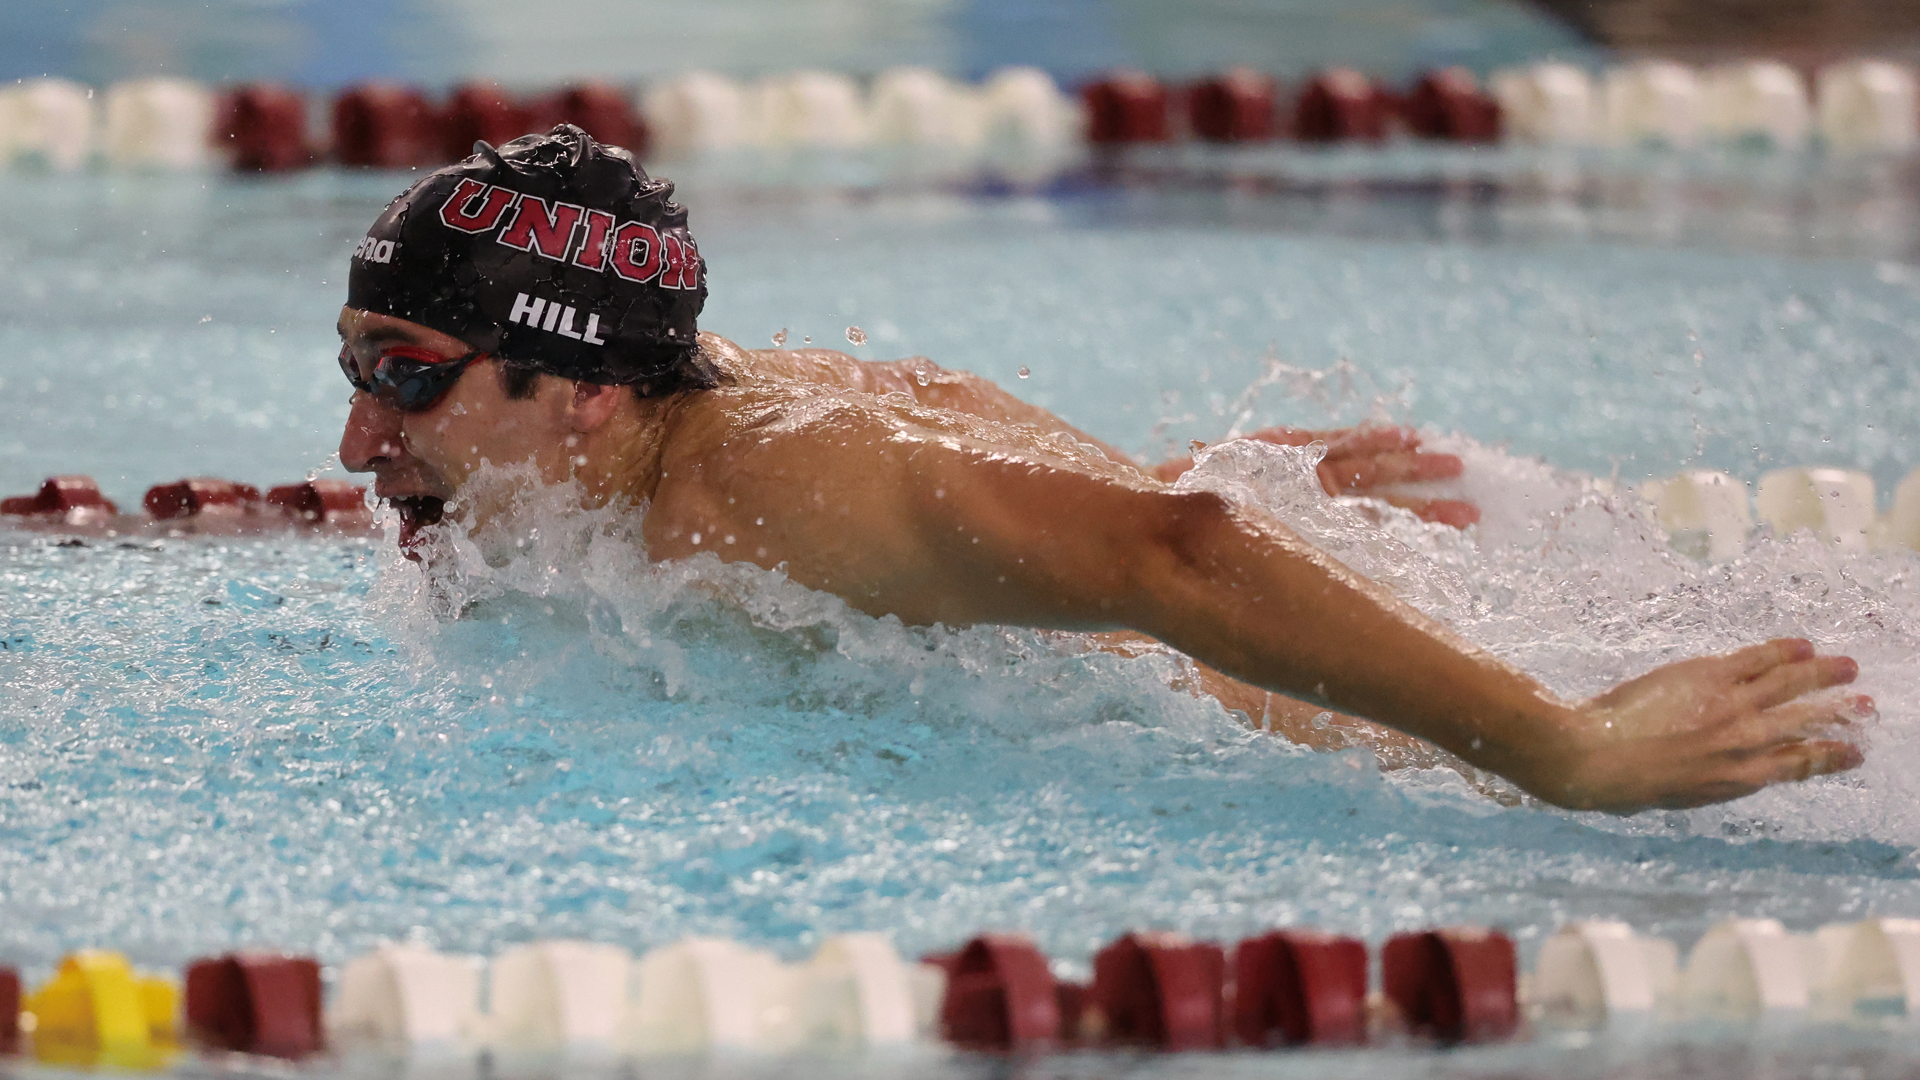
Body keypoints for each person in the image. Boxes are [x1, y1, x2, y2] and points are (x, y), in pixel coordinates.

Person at [336, 126, 1867, 815]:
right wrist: (1139, 483)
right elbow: (951, 425)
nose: (359, 440)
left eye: (407, 375)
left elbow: (1179, 557)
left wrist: (1558, 749)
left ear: (589, 390)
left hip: (1331, 743)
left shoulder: (756, 488)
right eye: (354, 369)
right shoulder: (702, 410)